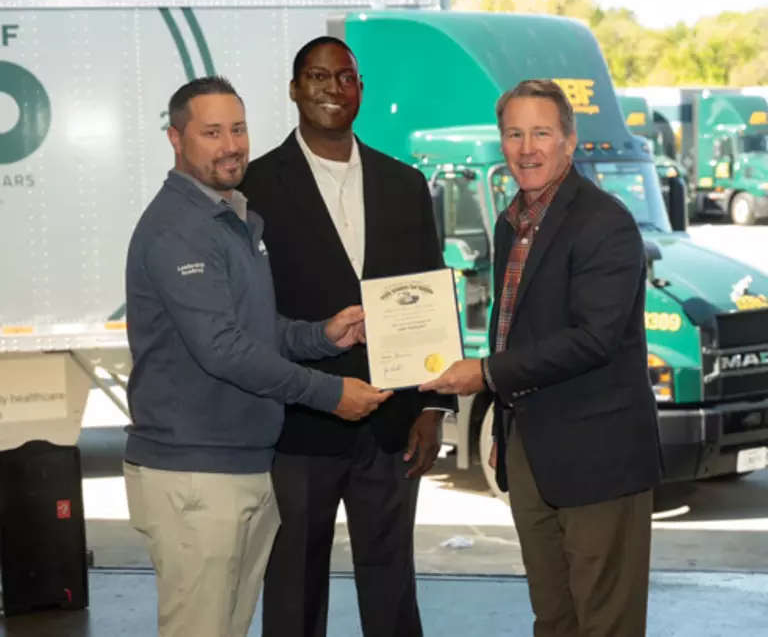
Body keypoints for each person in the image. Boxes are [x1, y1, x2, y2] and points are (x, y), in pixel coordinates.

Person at [123, 75, 391, 637]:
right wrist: (329, 394)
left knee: (230, 626)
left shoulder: (232, 218)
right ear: (176, 139)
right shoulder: (179, 229)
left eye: (238, 129)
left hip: (241, 464)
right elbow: (222, 349)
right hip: (196, 473)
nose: (231, 145)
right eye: (212, 132)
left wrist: (324, 336)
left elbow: (254, 328)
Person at [420, 79, 664, 637]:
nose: (526, 148)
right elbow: (519, 330)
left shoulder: (605, 223)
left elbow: (593, 339)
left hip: (598, 458)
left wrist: (483, 372)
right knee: (553, 618)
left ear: (569, 142)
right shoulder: (514, 224)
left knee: (606, 621)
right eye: (514, 133)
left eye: (541, 133)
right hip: (531, 449)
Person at [237, 36, 458, 637]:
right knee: (293, 589)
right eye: (317, 76)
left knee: (391, 586)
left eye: (345, 77)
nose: (333, 89)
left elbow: (431, 294)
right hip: (299, 425)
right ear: (293, 89)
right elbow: (250, 316)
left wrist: (434, 406)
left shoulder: (404, 183)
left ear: (360, 89)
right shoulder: (252, 189)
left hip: (392, 425)